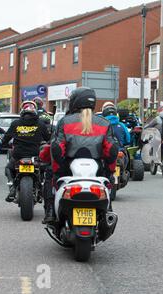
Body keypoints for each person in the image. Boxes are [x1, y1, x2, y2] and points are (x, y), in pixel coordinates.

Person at [49, 87, 118, 221]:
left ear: (74, 102)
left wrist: (56, 171)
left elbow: (57, 148)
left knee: (48, 179)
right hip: (97, 170)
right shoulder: (105, 123)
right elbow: (111, 150)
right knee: (106, 188)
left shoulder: (65, 122)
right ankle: (108, 210)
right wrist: (109, 172)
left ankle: (50, 212)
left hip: (67, 169)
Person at [2, 101, 51, 202]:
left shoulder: (15, 123)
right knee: (43, 169)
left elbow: (6, 139)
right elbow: (48, 138)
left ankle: (12, 186)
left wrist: (4, 143)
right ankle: (41, 187)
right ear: (35, 111)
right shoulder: (40, 124)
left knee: (8, 168)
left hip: (18, 155)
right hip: (35, 155)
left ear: (22, 111)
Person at [102, 102, 131, 181]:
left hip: (106, 152)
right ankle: (124, 172)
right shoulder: (122, 125)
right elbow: (128, 139)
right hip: (119, 151)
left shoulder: (101, 125)